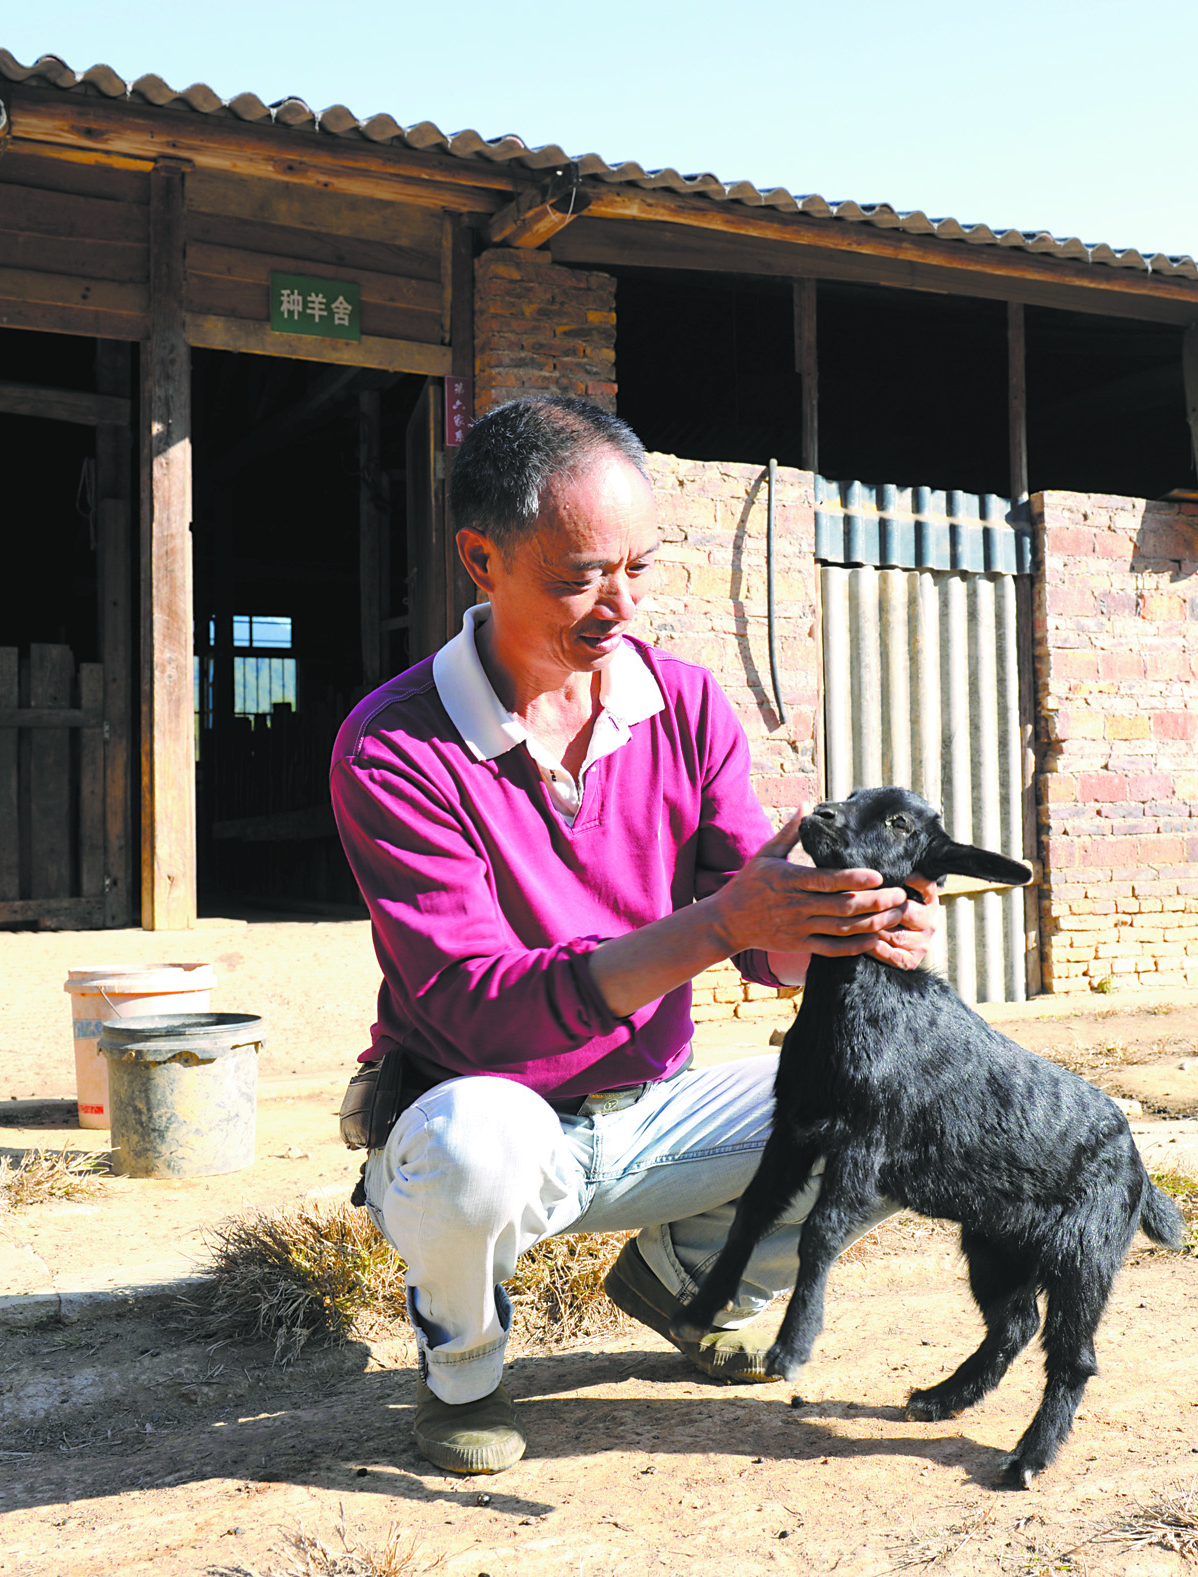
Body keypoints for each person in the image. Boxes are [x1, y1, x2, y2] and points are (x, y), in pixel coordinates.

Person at [330, 396, 939, 1476]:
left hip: (653, 1112)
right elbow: (478, 1007)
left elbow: (763, 945)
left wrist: (837, 924)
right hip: (494, 1123)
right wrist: (719, 921)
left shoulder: (685, 704)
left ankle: (692, 1274)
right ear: (482, 557)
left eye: (640, 569)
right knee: (473, 1145)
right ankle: (463, 1366)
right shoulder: (396, 748)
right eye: (578, 576)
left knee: (921, 1082)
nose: (618, 604)